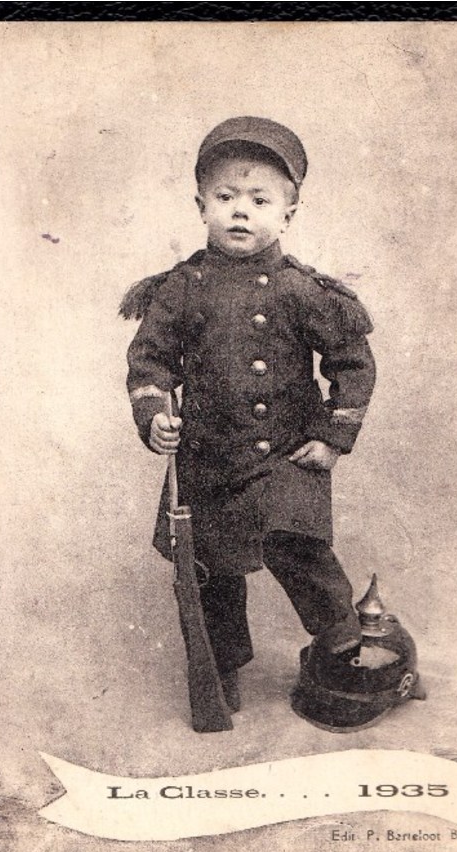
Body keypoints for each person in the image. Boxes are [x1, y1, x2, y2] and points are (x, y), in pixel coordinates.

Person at [122, 116, 376, 715]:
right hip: (209, 459)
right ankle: (222, 670)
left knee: (303, 553)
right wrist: (155, 414)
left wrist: (333, 437)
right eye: (226, 197)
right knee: (211, 572)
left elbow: (352, 363)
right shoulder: (182, 288)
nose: (241, 211)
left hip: (290, 453)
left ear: (289, 213)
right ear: (200, 205)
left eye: (259, 200)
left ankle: (344, 652)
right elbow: (149, 364)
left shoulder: (306, 291)